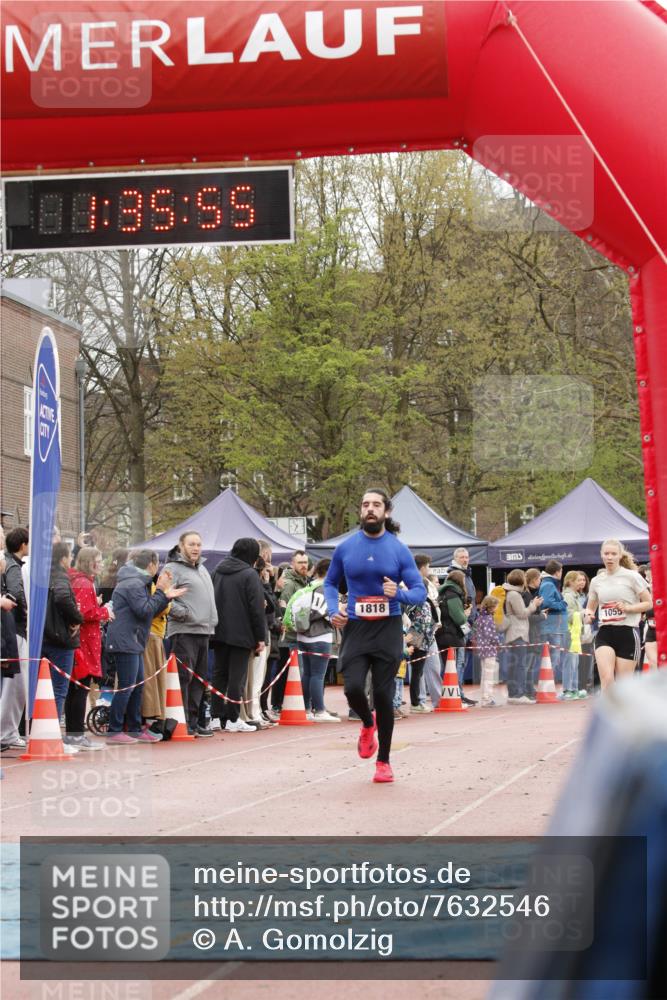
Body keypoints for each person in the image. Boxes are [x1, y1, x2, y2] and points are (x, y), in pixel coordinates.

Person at [323, 489, 426, 783]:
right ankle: (368, 725)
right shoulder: (345, 548)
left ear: (386, 512)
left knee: (382, 695)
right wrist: (333, 610)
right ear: (360, 511)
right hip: (356, 626)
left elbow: (419, 593)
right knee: (352, 688)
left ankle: (384, 762)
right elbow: (330, 583)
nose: (370, 509)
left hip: (388, 628)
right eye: (365, 504)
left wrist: (400, 593)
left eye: (376, 505)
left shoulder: (398, 549)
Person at [105, 550, 185, 743]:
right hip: (127, 640)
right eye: (157, 564)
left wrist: (165, 596)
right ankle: (114, 729)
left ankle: (133, 728)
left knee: (138, 685)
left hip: (134, 639)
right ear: (151, 564)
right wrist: (160, 591)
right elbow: (145, 610)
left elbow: (148, 610)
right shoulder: (134, 583)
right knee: (128, 686)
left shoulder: (136, 581)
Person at [163, 531, 218, 737]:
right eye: (191, 544)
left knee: (200, 679)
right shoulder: (171, 568)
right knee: (184, 677)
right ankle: (183, 720)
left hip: (204, 630)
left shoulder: (202, 568)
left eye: (198, 544)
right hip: (184, 631)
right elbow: (162, 595)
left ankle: (194, 721)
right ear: (181, 546)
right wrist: (183, 614)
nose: (196, 548)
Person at [210, 538, 267, 733]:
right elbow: (256, 608)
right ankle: (233, 718)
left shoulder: (217, 570)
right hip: (242, 633)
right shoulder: (249, 574)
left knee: (219, 675)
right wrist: (261, 637)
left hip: (218, 631)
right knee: (237, 678)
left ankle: (216, 717)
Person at [584, 539, 652, 690]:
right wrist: (588, 615)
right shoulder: (596, 581)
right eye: (606, 553)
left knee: (623, 686)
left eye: (613, 554)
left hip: (627, 632)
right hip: (605, 633)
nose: (609, 557)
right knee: (607, 680)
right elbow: (590, 607)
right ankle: (608, 713)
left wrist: (628, 608)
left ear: (620, 556)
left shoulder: (632, 576)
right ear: (601, 555)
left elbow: (649, 603)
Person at [66, 547, 111, 749]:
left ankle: (74, 732)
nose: (101, 564)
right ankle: (75, 733)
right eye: (99, 560)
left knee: (77, 689)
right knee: (80, 689)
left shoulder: (82, 582)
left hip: (83, 642)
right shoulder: (84, 583)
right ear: (90, 562)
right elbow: (84, 613)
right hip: (84, 644)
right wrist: (104, 612)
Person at [283, 558, 339, 722]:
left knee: (308, 674)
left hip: (302, 635)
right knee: (318, 675)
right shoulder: (325, 589)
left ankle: (307, 708)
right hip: (320, 635)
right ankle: (320, 710)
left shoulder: (308, 586)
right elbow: (323, 612)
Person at [41, 542, 84, 751]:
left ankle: (42, 733)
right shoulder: (60, 577)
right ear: (63, 558)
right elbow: (63, 597)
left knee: (43, 690)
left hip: (44, 637)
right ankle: (53, 738)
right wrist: (77, 618)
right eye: (69, 557)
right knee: (59, 690)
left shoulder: (41, 575)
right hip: (60, 639)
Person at [0, 527, 29, 751]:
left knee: (14, 683)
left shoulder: (10, 565)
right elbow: (16, 594)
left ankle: (7, 732)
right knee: (13, 684)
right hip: (13, 631)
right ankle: (6, 732)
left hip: (13, 630)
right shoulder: (12, 566)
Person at [503, 569, 542, 704]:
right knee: (519, 665)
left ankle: (514, 693)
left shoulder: (511, 593)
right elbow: (522, 613)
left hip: (515, 632)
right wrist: (533, 605)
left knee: (515, 665)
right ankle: (518, 694)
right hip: (517, 632)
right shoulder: (514, 594)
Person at [437, 570, 471, 701]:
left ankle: (453, 695)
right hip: (451, 635)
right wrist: (465, 615)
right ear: (460, 581)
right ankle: (455, 696)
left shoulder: (444, 592)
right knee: (453, 666)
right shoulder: (453, 594)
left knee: (447, 666)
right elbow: (458, 617)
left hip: (444, 634)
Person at [538, 560, 569, 684]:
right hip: (552, 626)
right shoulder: (549, 585)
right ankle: (547, 684)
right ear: (557, 572)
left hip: (554, 626)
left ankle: (547, 684)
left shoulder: (549, 583)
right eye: (561, 571)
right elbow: (546, 603)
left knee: (554, 657)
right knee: (554, 658)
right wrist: (562, 604)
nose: (562, 573)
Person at [472, 596, 501, 707]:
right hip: (489, 650)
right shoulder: (488, 619)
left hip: (482, 649)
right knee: (489, 675)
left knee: (484, 674)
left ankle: (485, 697)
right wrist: (498, 642)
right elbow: (491, 635)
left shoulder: (480, 618)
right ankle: (487, 699)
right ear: (492, 607)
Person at [561, 570, 585, 699]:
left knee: (575, 661)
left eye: (582, 580)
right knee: (569, 661)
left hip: (574, 633)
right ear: (570, 582)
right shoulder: (568, 596)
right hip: (569, 632)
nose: (581, 582)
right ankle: (567, 690)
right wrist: (583, 614)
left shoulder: (575, 595)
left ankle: (574, 688)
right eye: (578, 580)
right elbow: (568, 615)